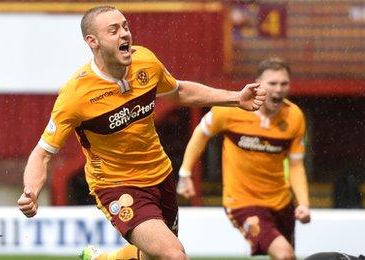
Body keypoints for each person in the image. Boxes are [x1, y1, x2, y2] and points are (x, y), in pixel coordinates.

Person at [16, 6, 265, 260]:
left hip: (160, 175)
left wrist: (236, 98)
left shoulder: (145, 60)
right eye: (113, 30)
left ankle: (101, 259)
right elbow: (43, 153)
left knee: (152, 256)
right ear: (93, 41)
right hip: (117, 185)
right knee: (174, 255)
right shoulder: (75, 95)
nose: (125, 34)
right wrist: (31, 191)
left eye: (125, 26)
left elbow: (178, 91)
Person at [176, 57, 311, 259]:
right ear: (258, 83)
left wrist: (303, 203)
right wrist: (185, 173)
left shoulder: (294, 117)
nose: (278, 89)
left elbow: (296, 164)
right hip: (242, 203)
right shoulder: (232, 108)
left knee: (286, 256)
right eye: (272, 83)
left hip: (282, 203)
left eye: (284, 83)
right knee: (284, 254)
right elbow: (201, 133)